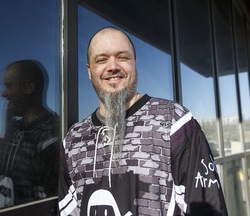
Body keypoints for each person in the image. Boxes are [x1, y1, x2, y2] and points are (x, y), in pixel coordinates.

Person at [58, 27, 228, 216]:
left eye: (122, 57)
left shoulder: (174, 121)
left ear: (134, 64)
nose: (113, 66)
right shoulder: (74, 139)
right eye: (101, 59)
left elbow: (207, 208)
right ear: (89, 71)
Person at [0, 60, 59, 211]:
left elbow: (52, 202)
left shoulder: (51, 136)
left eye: (8, 86)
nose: (3, 93)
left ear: (28, 87)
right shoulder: (16, 129)